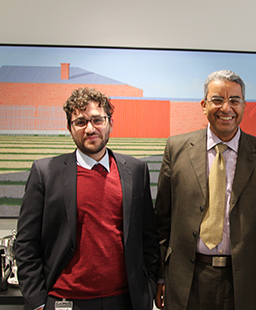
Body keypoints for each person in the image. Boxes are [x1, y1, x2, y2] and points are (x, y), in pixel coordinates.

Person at [154, 70, 256, 310]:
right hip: (187, 279)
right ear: (204, 105)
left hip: (245, 284)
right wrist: (160, 276)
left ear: (244, 106)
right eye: (217, 100)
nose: (226, 108)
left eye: (234, 100)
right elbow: (162, 221)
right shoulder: (176, 149)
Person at [15, 87, 160, 310]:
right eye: (81, 122)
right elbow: (26, 242)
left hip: (124, 300)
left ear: (110, 122)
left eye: (97, 120)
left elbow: (148, 236)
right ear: (70, 128)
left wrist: (148, 286)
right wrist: (36, 301)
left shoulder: (135, 169)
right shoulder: (46, 172)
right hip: (65, 299)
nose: (90, 129)